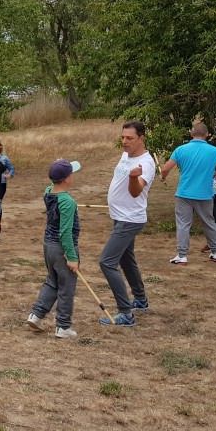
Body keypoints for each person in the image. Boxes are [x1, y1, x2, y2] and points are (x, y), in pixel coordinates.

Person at [96, 121, 157, 326]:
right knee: (126, 259)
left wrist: (133, 177)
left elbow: (135, 191)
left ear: (141, 138)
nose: (124, 141)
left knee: (107, 262)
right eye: (123, 137)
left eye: (129, 138)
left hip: (129, 219)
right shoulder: (126, 155)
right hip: (119, 216)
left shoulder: (146, 163)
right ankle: (140, 300)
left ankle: (126, 313)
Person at [159, 122, 216, 265]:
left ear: (191, 134)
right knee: (209, 222)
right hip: (205, 194)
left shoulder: (180, 150)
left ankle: (182, 255)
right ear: (207, 134)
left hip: (184, 193)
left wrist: (163, 177)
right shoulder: (214, 151)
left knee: (183, 224)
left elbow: (165, 168)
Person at [27, 159, 82, 339]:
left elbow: (52, 184)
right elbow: (65, 232)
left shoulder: (48, 192)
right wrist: (72, 257)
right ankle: (63, 326)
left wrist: (57, 165)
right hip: (61, 249)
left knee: (53, 281)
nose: (73, 175)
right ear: (66, 179)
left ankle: (36, 316)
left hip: (48, 246)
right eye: (71, 173)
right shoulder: (68, 202)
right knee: (66, 287)